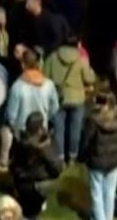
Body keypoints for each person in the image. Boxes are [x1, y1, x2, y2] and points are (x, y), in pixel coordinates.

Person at [0, 49, 59, 171]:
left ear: (23, 64)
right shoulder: (49, 84)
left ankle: (3, 163)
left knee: (4, 130)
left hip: (23, 133)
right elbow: (55, 108)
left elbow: (11, 115)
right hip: (41, 129)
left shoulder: (17, 86)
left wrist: (14, 127)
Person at [42, 33, 96, 163]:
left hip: (58, 98)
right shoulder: (81, 59)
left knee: (59, 129)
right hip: (77, 98)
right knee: (75, 129)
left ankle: (60, 156)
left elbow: (45, 75)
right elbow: (89, 79)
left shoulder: (52, 58)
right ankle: (72, 156)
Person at [80, 90, 117, 220]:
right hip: (114, 160)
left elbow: (86, 141)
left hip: (97, 160)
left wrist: (82, 157)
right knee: (109, 193)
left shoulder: (92, 120)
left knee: (97, 194)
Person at [11, 111, 63, 219]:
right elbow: (57, 168)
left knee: (26, 211)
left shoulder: (20, 141)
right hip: (38, 185)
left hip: (20, 183)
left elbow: (13, 165)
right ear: (40, 128)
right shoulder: (44, 146)